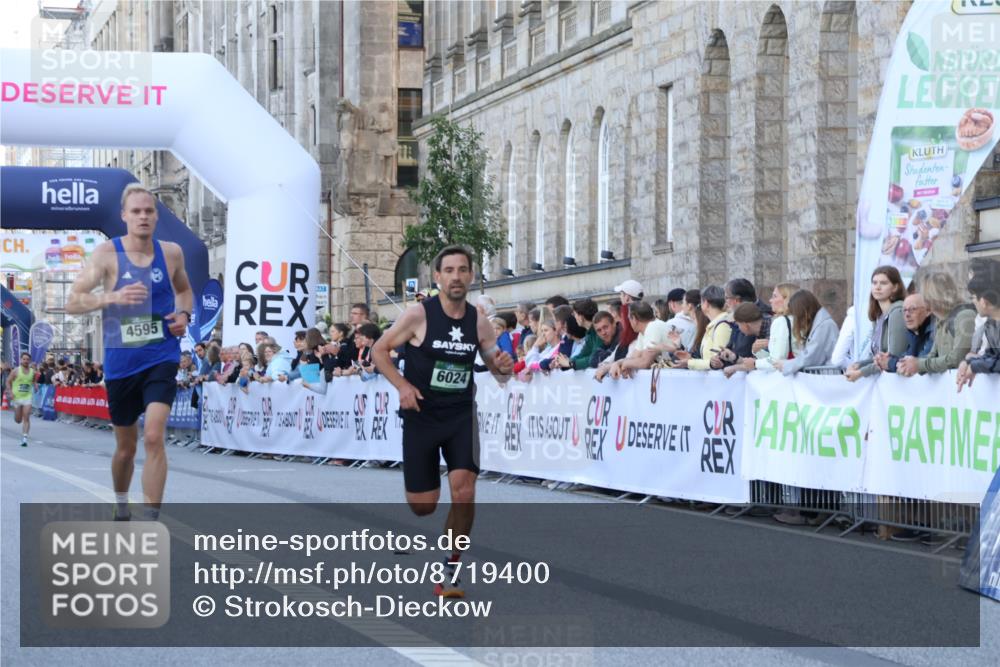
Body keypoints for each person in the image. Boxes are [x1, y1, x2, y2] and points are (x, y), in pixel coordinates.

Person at [372, 245, 513, 598]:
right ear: (437, 277)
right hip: (421, 415)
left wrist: (503, 367)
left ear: (471, 276)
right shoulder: (418, 315)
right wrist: (402, 386)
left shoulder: (479, 321)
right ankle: (429, 476)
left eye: (462, 270)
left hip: (460, 415)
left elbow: (496, 367)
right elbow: (379, 350)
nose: (456, 276)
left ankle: (450, 568)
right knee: (424, 506)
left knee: (464, 492)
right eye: (448, 270)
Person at [65, 183, 192, 521]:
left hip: (161, 355)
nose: (143, 217)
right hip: (121, 362)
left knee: (153, 436)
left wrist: (184, 316)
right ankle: (121, 500)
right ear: (124, 216)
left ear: (156, 215)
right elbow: (73, 302)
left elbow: (184, 291)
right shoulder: (107, 254)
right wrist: (111, 298)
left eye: (149, 211)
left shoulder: (172, 253)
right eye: (136, 211)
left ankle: (151, 516)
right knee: (126, 448)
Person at [895, 271, 976, 377]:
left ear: (934, 295)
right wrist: (904, 365)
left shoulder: (964, 316)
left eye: (924, 295)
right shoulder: (940, 320)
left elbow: (957, 359)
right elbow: (932, 355)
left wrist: (918, 364)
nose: (922, 299)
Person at [846, 266, 907, 382]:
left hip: (899, 380)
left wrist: (861, 372)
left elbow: (892, 357)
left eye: (883, 283)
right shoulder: (878, 316)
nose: (877, 287)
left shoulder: (897, 312)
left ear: (895, 287)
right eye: (874, 283)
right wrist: (859, 365)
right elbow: (877, 356)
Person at [595, 301, 672, 381]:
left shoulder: (653, 327)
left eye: (629, 319)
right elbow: (633, 358)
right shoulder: (643, 331)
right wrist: (614, 365)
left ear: (634, 319)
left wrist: (623, 364)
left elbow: (644, 362)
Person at [772, 289, 839, 375]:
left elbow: (812, 357)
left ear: (803, 312)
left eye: (796, 315)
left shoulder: (824, 325)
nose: (797, 320)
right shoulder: (819, 323)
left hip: (828, 377)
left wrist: (786, 365)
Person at [957, 259, 1000, 391]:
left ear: (984, 302)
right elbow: (992, 356)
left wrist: (975, 366)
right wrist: (968, 362)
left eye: (973, 297)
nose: (972, 302)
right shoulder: (990, 325)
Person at [675, 285, 732, 370]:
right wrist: (691, 358)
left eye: (701, 302)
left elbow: (717, 361)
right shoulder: (714, 325)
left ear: (706, 303)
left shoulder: (722, 326)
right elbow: (709, 361)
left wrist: (690, 362)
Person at [876, 293, 934, 374]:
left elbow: (919, 365)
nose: (907, 315)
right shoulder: (914, 333)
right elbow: (907, 358)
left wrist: (890, 363)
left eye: (912, 309)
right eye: (904, 310)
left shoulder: (933, 332)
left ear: (928, 311)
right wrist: (885, 359)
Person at [5, 352, 37, 446]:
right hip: (17, 397)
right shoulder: (15, 371)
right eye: (24, 359)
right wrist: (10, 392)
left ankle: (24, 438)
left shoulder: (32, 371)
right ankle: (17, 414)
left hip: (27, 397)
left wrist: (35, 385)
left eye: (27, 359)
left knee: (26, 416)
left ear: (29, 361)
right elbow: (8, 381)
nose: (26, 361)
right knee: (18, 420)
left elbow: (34, 380)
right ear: (21, 360)